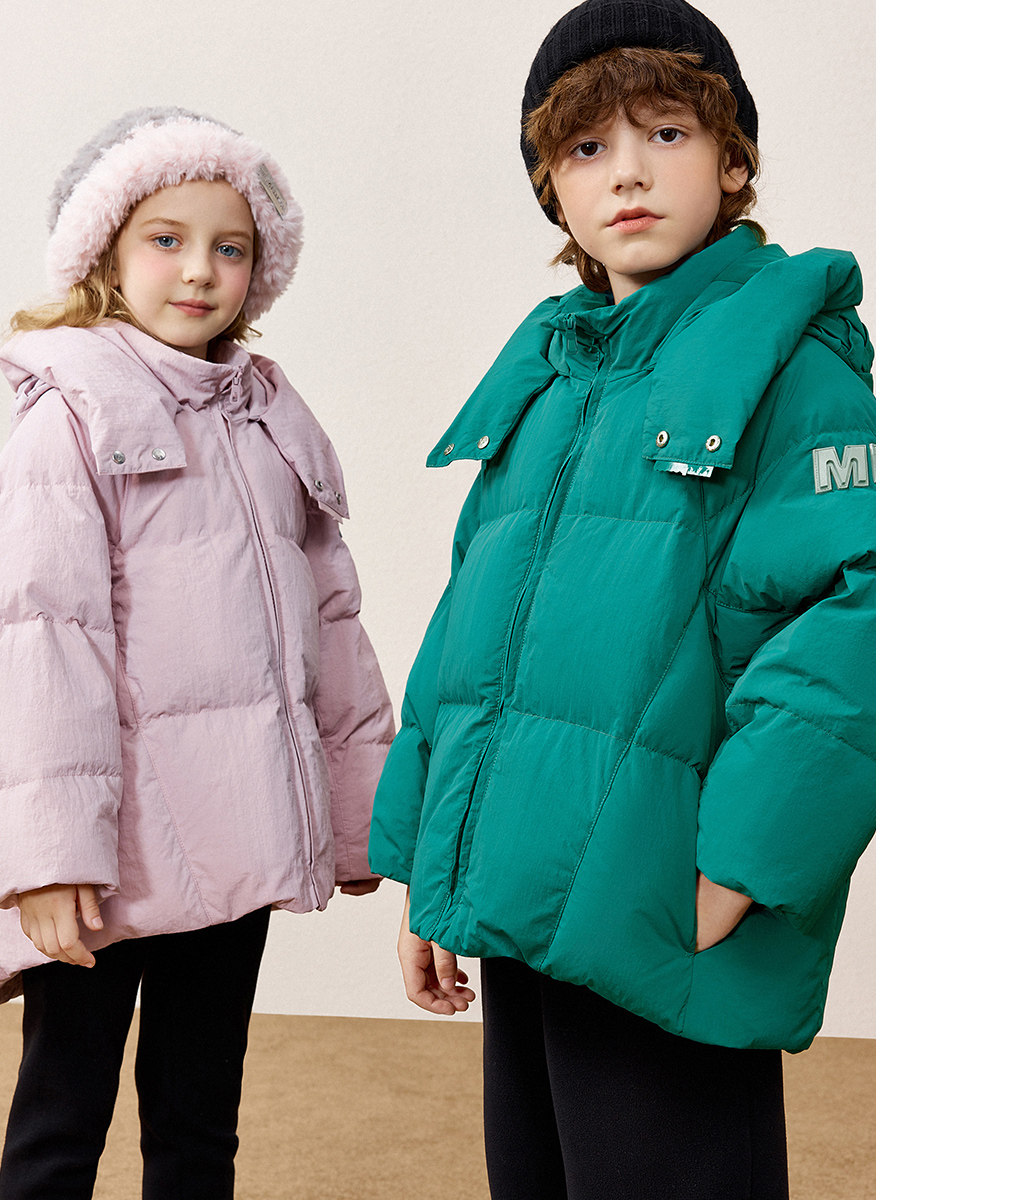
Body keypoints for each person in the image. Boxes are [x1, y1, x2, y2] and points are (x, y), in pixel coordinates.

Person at [368, 1, 875, 1196]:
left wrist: (746, 862)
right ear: (553, 189)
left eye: (667, 133)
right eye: (588, 147)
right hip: (524, 903)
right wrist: (438, 869)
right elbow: (472, 634)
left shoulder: (790, 366)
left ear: (733, 160)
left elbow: (866, 619)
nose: (628, 173)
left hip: (664, 901)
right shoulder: (548, 375)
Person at [0, 107, 395, 1200]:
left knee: (201, 1116)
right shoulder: (72, 419)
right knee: (62, 1116)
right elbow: (35, 642)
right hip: (105, 860)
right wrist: (48, 855)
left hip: (237, 835)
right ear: (104, 253)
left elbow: (330, 622)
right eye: (166, 239)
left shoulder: (269, 421)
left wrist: (358, 813)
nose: (201, 270)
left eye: (230, 246)